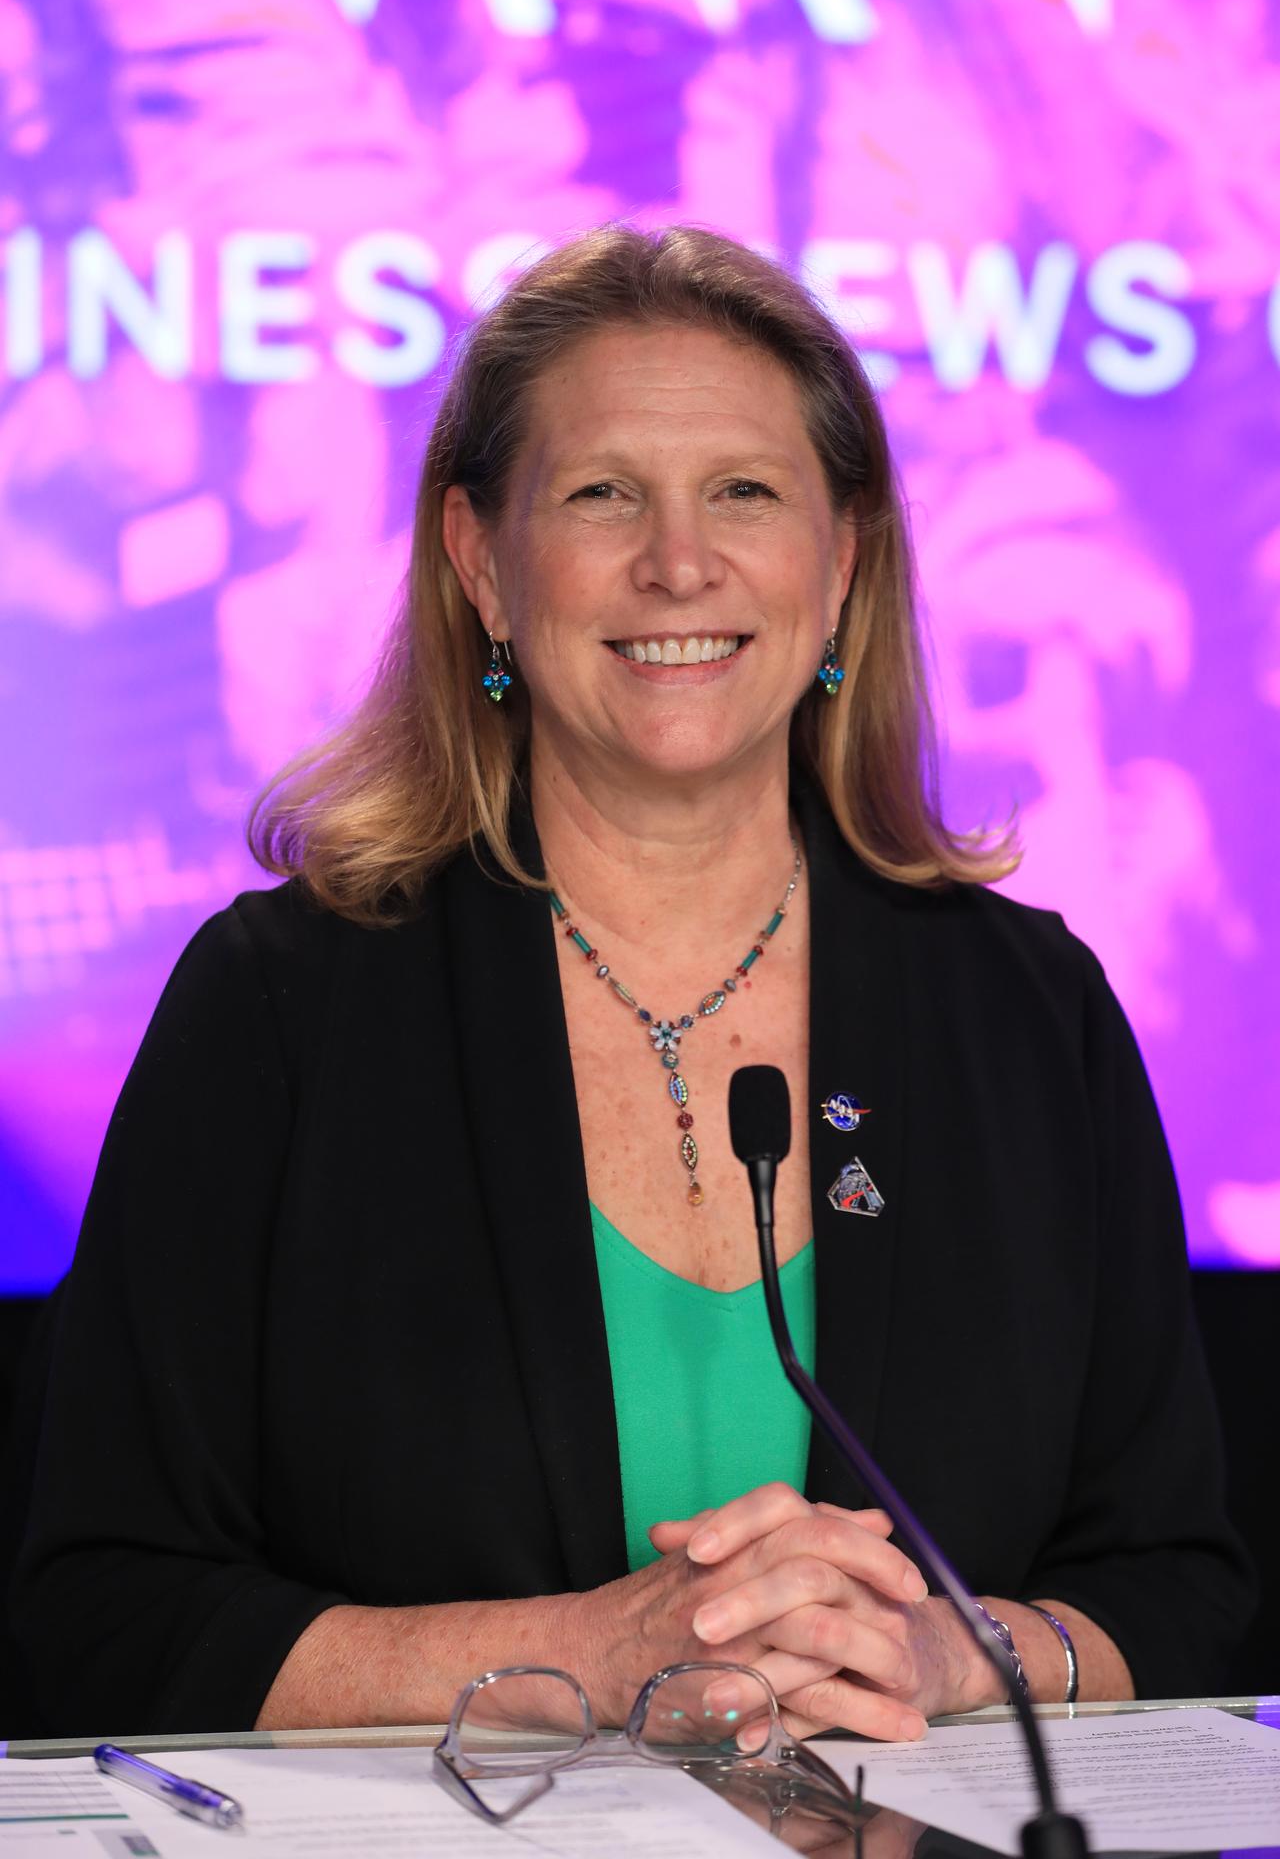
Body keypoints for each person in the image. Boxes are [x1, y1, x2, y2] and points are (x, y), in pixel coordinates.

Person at [7, 226, 1253, 1740]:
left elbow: (1181, 1589)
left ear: (844, 559)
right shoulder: (281, 1011)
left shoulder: (1026, 1013)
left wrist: (953, 1656)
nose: (681, 561)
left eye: (746, 491)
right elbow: (101, 1611)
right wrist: (572, 1660)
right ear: (480, 561)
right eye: (604, 494)